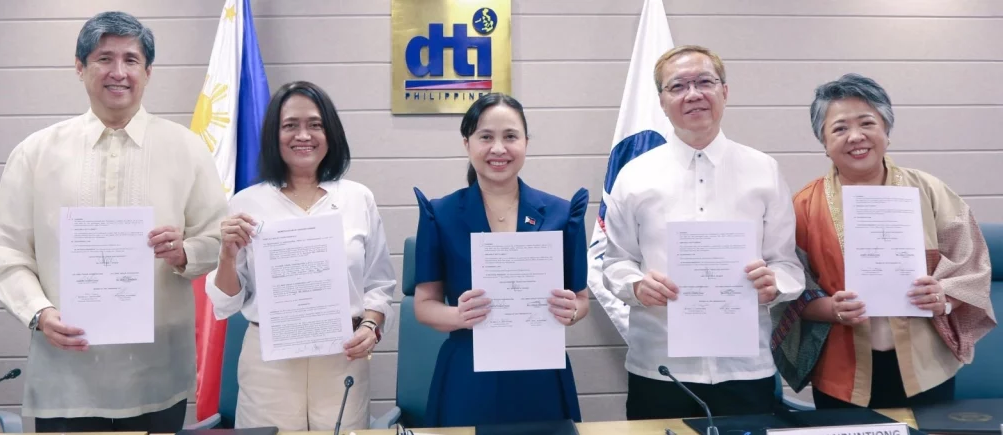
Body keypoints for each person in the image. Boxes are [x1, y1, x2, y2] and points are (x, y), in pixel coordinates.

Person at [0, 11, 228, 432]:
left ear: (148, 71)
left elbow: (219, 239)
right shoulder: (35, 153)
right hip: (66, 376)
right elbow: (7, 252)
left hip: (156, 373)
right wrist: (38, 312)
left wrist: (185, 251)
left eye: (131, 60)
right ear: (79, 68)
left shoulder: (186, 150)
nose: (118, 72)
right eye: (103, 58)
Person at [600, 45, 805, 420]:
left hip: (745, 369)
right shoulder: (634, 176)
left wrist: (774, 283)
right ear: (662, 101)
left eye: (704, 82)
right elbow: (615, 262)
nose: (693, 94)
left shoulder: (764, 171)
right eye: (678, 86)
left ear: (725, 91)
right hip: (660, 370)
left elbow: (788, 265)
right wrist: (636, 285)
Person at [772, 73, 997, 409]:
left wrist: (943, 296)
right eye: (839, 128)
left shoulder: (929, 191)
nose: (856, 137)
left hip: (925, 368)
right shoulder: (804, 205)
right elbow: (790, 290)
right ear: (823, 141)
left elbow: (972, 265)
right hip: (842, 373)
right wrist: (831, 309)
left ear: (886, 131)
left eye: (867, 123)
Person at [205, 81, 396, 430]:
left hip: (342, 358)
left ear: (331, 133)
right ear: (273, 135)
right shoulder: (246, 203)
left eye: (315, 124)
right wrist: (227, 257)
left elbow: (379, 284)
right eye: (290, 125)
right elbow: (226, 304)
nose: (303, 135)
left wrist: (371, 325)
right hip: (269, 366)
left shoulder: (358, 198)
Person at [412, 93, 588, 427]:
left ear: (526, 143)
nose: (498, 149)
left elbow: (581, 300)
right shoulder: (441, 213)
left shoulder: (561, 213)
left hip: (540, 371)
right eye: (486, 137)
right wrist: (459, 315)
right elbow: (424, 305)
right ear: (467, 144)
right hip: (468, 370)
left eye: (510, 136)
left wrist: (572, 310)